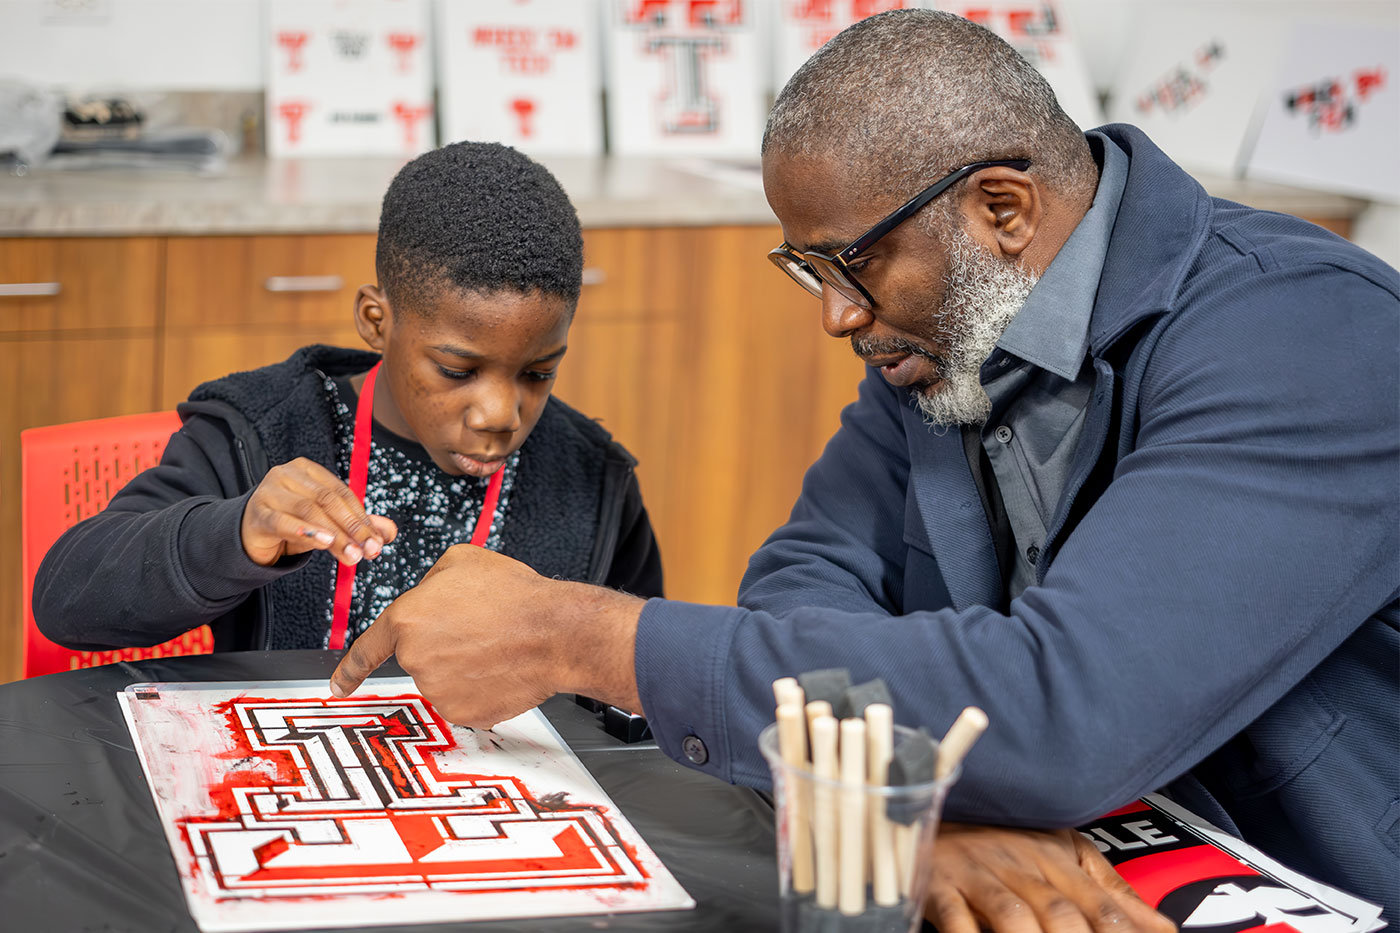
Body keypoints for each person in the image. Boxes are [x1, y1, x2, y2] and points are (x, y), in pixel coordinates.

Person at [331, 9, 1398, 921]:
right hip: (1068, 843)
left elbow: (1070, 708)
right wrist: (908, 801)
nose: (838, 314)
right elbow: (805, 581)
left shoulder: (1307, 336)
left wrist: (587, 635)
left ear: (1001, 210)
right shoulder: (941, 342)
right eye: (807, 270)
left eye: (851, 262)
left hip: (1313, 876)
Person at [33, 141, 662, 652]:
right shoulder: (260, 430)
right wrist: (237, 532)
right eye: (456, 370)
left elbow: (632, 690)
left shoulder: (592, 479)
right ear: (375, 319)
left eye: (537, 373)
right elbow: (67, 603)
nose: (501, 414)